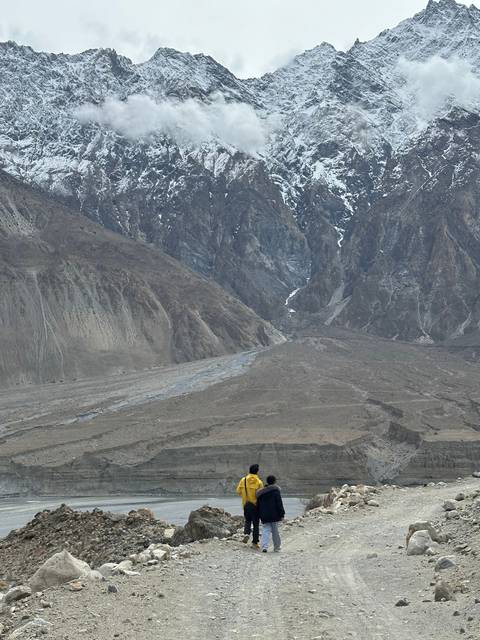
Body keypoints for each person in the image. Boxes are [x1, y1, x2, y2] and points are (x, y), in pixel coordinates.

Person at [236, 464, 263, 548]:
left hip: (246, 504)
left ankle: (246, 533)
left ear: (249, 470)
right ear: (257, 471)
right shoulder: (259, 482)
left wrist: (245, 495)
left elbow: (238, 491)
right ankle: (255, 543)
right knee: (256, 524)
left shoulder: (243, 480)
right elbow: (261, 495)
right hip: (255, 506)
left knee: (247, 520)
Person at [256, 475, 285, 553]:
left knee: (265, 530)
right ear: (274, 481)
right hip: (274, 514)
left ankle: (264, 547)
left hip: (264, 515)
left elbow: (258, 505)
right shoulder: (276, 491)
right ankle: (277, 547)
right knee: (275, 531)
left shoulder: (260, 493)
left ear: (267, 481)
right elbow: (279, 503)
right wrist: (282, 514)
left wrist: (259, 514)